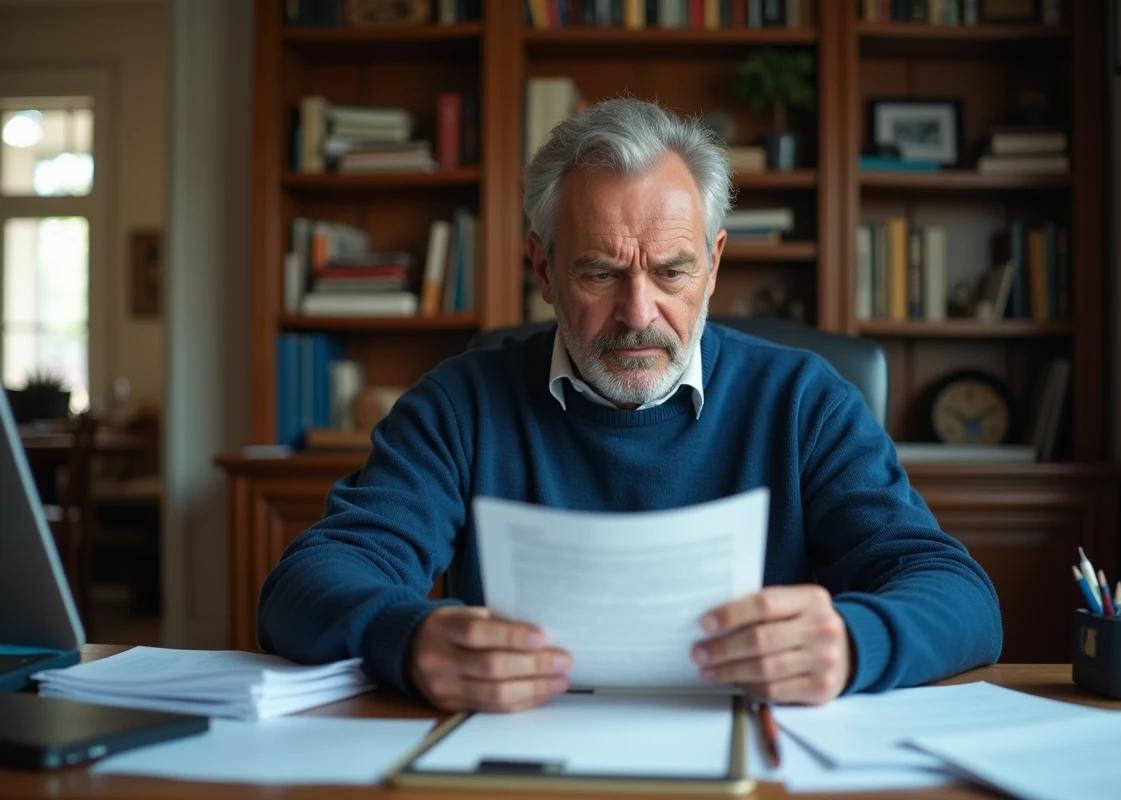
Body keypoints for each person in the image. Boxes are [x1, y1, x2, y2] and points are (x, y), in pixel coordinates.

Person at [259, 98, 1002, 713]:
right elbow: (304, 584)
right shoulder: (460, 404)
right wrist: (411, 639)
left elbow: (962, 599)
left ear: (713, 265)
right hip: (517, 761)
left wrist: (851, 642)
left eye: (672, 271)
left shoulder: (805, 402)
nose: (638, 312)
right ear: (543, 267)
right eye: (600, 273)